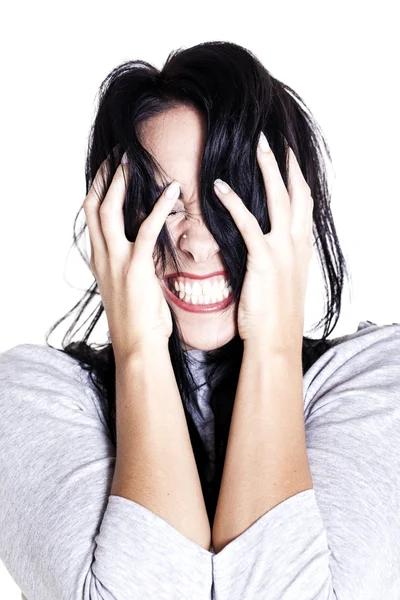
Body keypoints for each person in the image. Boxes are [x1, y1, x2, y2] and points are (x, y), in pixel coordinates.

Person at [1, 40, 399, 600]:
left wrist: (274, 349)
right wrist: (139, 349)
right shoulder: (29, 397)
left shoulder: (379, 380)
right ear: (111, 221)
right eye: (162, 203)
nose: (196, 242)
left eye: (228, 199)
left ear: (289, 210)